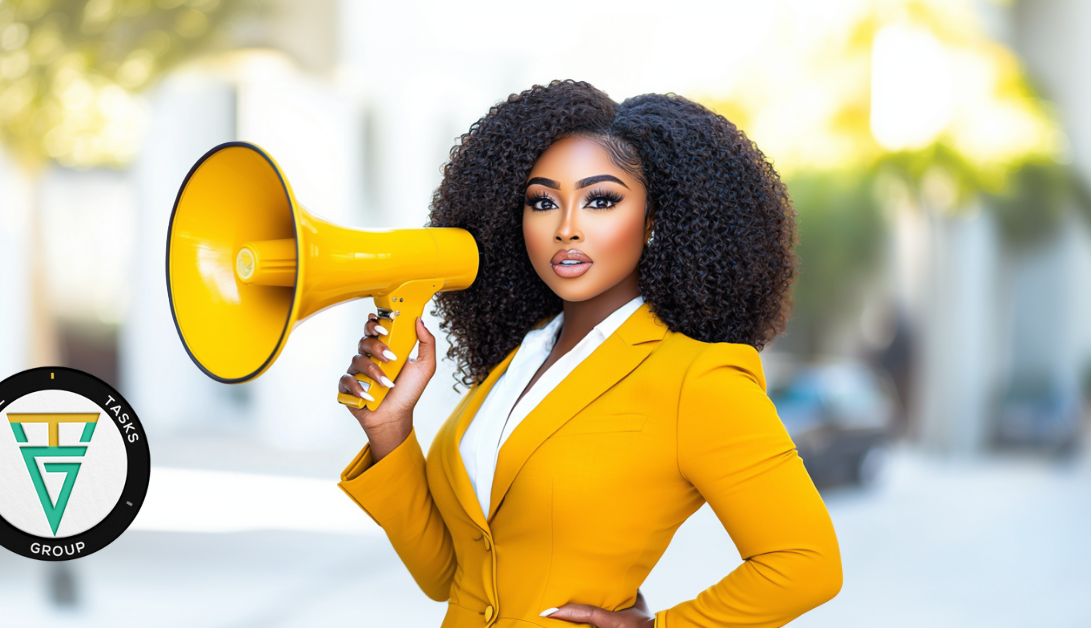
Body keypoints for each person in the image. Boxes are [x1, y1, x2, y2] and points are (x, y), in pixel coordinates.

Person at [335, 80, 842, 628]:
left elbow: (806, 563)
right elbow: (448, 575)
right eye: (542, 201)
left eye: (601, 200)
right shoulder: (520, 360)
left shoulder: (699, 378)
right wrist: (390, 429)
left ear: (654, 219)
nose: (566, 227)